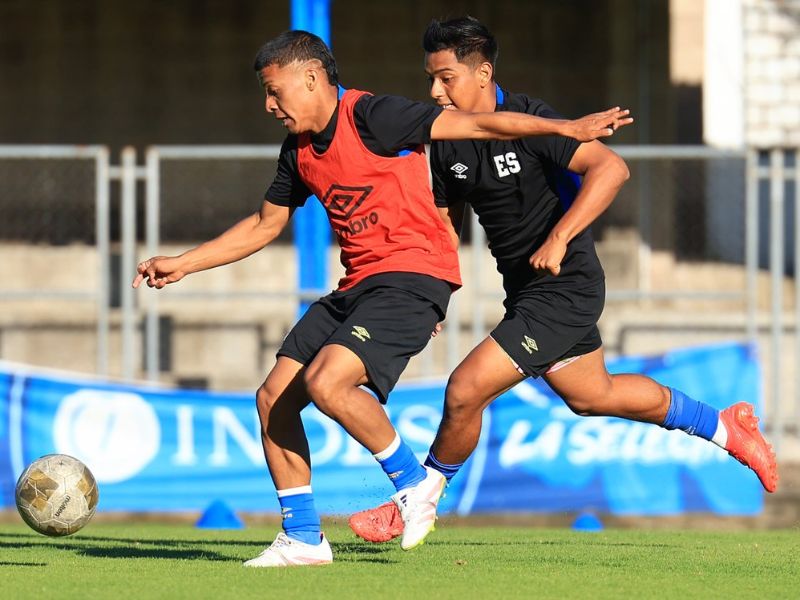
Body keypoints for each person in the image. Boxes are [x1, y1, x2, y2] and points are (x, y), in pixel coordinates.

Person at [132, 29, 631, 566]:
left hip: (409, 278)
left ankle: (415, 485)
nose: (269, 104)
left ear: (311, 78)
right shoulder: (297, 151)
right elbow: (262, 225)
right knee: (274, 398)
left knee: (330, 381)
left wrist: (565, 128)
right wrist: (182, 263)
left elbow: (481, 123)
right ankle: (303, 537)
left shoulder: (373, 115)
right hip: (359, 286)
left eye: (275, 91)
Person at [348, 16, 778, 544]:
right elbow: (445, 217)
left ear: (483, 73)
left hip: (566, 285)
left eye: (446, 78)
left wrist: (560, 235)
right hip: (527, 292)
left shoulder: (531, 120)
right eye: (430, 78)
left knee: (465, 389)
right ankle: (725, 427)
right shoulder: (448, 139)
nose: (434, 91)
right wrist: (434, 289)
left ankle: (417, 501)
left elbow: (611, 168)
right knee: (592, 395)